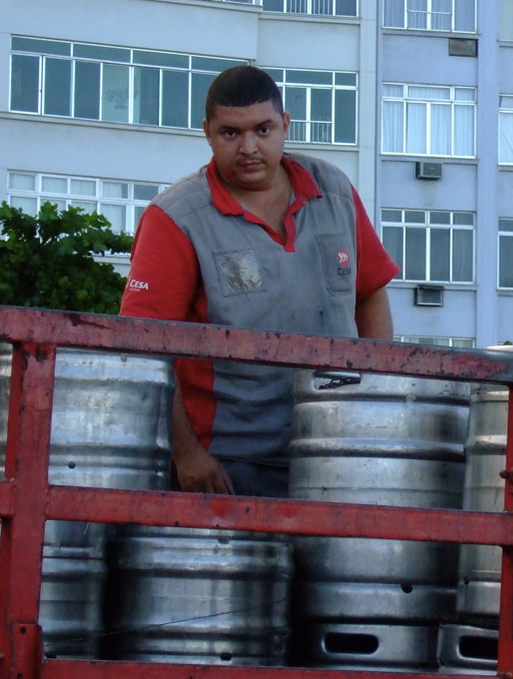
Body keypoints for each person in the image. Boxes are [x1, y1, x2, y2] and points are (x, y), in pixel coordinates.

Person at [120, 65, 399, 497]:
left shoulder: (335, 191)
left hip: (335, 449)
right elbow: (142, 350)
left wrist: (374, 410)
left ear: (286, 126)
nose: (249, 147)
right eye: (231, 133)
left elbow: (370, 296)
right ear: (208, 133)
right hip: (228, 465)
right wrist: (186, 455)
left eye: (263, 129)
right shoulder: (175, 218)